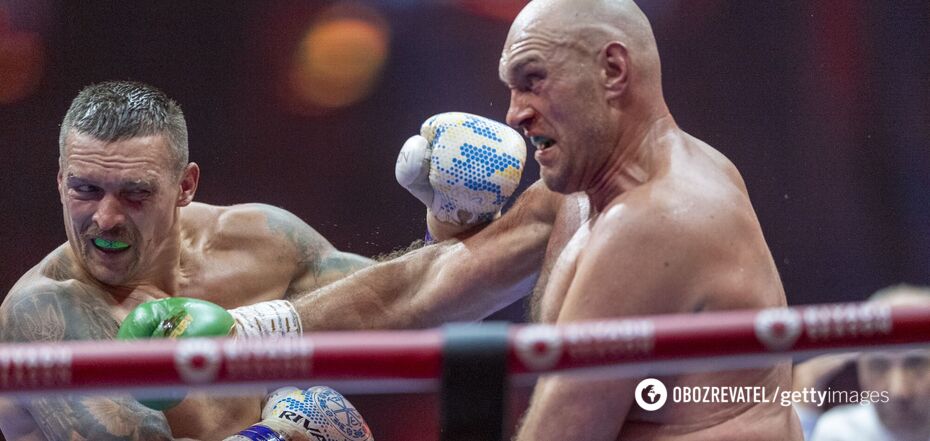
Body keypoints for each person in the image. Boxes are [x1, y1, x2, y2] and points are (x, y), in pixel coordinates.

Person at [130, 0, 803, 439]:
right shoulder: (581, 194)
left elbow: (564, 430)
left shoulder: (656, 220)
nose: (514, 113)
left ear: (612, 71)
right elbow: (426, 286)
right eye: (510, 87)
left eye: (533, 80)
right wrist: (242, 334)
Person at [0, 81, 526, 440]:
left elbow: (406, 306)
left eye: (135, 193)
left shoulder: (259, 242)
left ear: (185, 186)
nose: (106, 218)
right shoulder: (45, 313)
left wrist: (452, 220)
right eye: (85, 189)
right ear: (60, 182)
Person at [805, 285, 930, 441]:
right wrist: (804, 413)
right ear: (860, 366)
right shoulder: (839, 433)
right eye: (879, 366)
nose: (898, 391)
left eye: (916, 365)